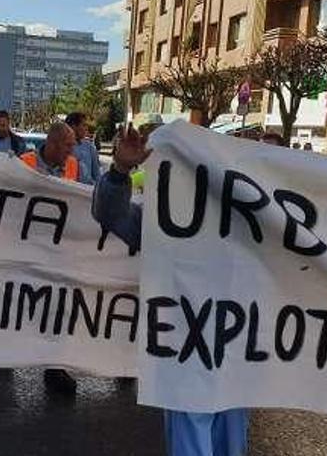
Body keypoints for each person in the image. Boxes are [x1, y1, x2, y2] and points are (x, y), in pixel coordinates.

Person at [92, 125, 249, 456]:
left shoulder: (248, 221)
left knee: (231, 442)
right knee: (192, 435)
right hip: (185, 349)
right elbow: (110, 214)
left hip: (236, 351)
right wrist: (120, 170)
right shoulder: (164, 221)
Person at [18, 122, 86, 396]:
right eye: (69, 145)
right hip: (26, 247)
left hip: (59, 250)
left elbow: (86, 197)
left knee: (58, 308)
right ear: (54, 143)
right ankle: (1, 352)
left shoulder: (73, 166)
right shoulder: (24, 163)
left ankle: (54, 367)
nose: (73, 150)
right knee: (17, 302)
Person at [65, 112, 101, 185]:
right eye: (84, 125)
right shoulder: (62, 147)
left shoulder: (90, 147)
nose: (86, 128)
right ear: (73, 126)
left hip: (87, 191)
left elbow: (97, 174)